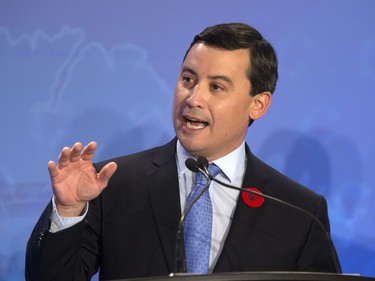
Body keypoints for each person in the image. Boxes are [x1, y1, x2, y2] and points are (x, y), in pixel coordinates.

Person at [25, 23, 340, 281]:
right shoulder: (111, 185)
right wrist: (67, 211)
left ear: (258, 104)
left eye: (216, 87)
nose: (193, 97)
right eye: (188, 79)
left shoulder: (298, 211)